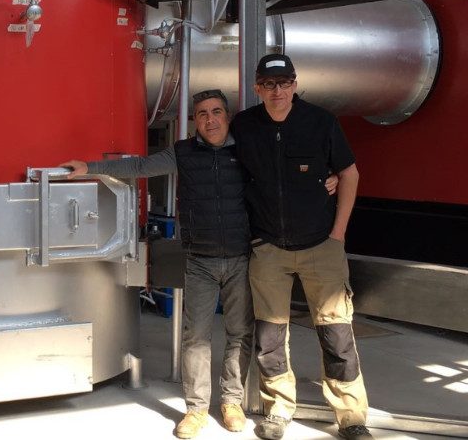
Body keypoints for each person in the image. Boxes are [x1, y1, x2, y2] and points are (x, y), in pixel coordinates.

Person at [63, 90, 335, 439]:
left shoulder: (247, 150)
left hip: (242, 258)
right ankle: (196, 410)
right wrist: (91, 168)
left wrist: (330, 176)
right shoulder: (183, 153)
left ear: (227, 116)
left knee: (240, 334)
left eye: (216, 112)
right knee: (196, 339)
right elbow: (141, 167)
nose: (210, 120)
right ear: (195, 121)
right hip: (200, 262)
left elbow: (287, 174)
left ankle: (232, 402)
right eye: (202, 114)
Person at [230, 54, 372, 440]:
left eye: (285, 82)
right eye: (269, 84)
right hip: (269, 249)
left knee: (337, 334)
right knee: (269, 337)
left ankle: (352, 417)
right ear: (258, 87)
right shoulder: (244, 126)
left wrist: (338, 234)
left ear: (295, 84)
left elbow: (349, 174)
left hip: (322, 246)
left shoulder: (321, 122)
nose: (278, 91)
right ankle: (277, 410)